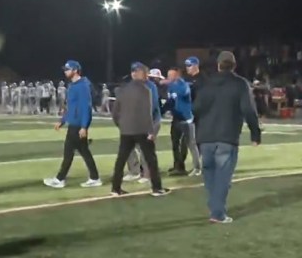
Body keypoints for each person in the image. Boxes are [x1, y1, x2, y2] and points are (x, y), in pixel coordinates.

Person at [193, 51, 262, 224]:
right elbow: (248, 110)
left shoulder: (207, 83)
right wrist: (255, 133)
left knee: (210, 175)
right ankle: (217, 213)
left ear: (218, 65)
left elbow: (196, 109)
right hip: (227, 136)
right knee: (222, 177)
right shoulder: (240, 84)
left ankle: (215, 208)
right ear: (234, 66)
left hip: (205, 137)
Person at [110, 63, 170, 197]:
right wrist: (151, 131)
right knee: (151, 159)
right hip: (142, 130)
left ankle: (115, 188)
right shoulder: (146, 90)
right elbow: (147, 112)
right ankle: (157, 188)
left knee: (121, 160)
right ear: (142, 74)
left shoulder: (123, 90)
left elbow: (115, 112)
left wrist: (121, 125)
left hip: (126, 130)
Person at [43, 60, 100, 189]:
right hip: (74, 123)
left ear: (75, 70)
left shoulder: (82, 86)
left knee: (69, 152)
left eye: (67, 69)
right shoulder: (73, 85)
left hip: (77, 125)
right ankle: (94, 178)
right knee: (84, 152)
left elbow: (86, 107)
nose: (65, 71)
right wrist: (62, 121)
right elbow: (71, 107)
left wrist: (84, 126)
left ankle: (60, 179)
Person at [165, 67, 200, 176]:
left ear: (177, 75)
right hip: (176, 118)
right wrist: (162, 110)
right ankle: (178, 167)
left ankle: (197, 167)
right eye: (168, 75)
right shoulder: (171, 86)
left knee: (190, 144)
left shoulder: (184, 85)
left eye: (170, 75)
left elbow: (182, 94)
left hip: (186, 119)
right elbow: (170, 102)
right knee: (175, 144)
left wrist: (173, 88)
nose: (168, 77)